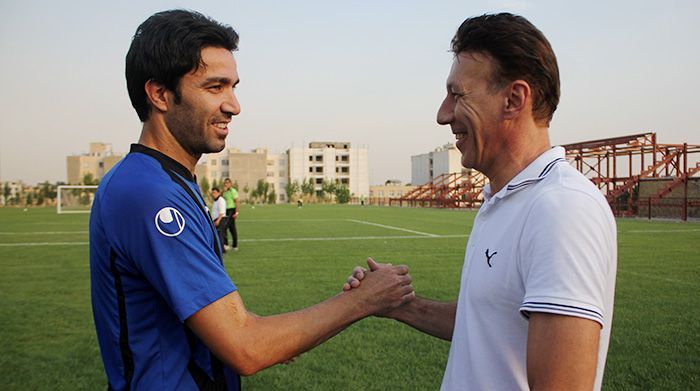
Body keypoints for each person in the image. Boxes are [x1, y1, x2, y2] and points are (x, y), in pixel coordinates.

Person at [89, 9, 414, 390]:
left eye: (234, 86)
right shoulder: (150, 195)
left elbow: (210, 320)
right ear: (160, 93)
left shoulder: (169, 181)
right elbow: (246, 348)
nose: (233, 105)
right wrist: (364, 301)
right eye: (215, 87)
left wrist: (281, 334)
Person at [345, 13, 617, 391]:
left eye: (457, 95)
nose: (443, 114)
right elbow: (486, 322)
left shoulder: (561, 208)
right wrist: (398, 305)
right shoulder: (501, 199)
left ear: (513, 99)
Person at [222, 178, 239, 251]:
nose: (226, 184)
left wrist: (236, 212)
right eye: (225, 183)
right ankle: (234, 246)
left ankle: (226, 244)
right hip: (226, 210)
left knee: (224, 226)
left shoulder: (233, 191)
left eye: (227, 183)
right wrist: (223, 191)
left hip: (231, 210)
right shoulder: (225, 192)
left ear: (230, 184)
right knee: (232, 228)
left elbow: (237, 202)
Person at [210, 187, 228, 253]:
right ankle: (221, 249)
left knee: (220, 236)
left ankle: (221, 250)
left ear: (218, 193)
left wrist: (218, 221)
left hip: (220, 220)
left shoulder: (221, 200)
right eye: (212, 193)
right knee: (218, 236)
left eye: (214, 193)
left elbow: (222, 212)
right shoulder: (216, 201)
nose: (213, 194)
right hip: (216, 220)